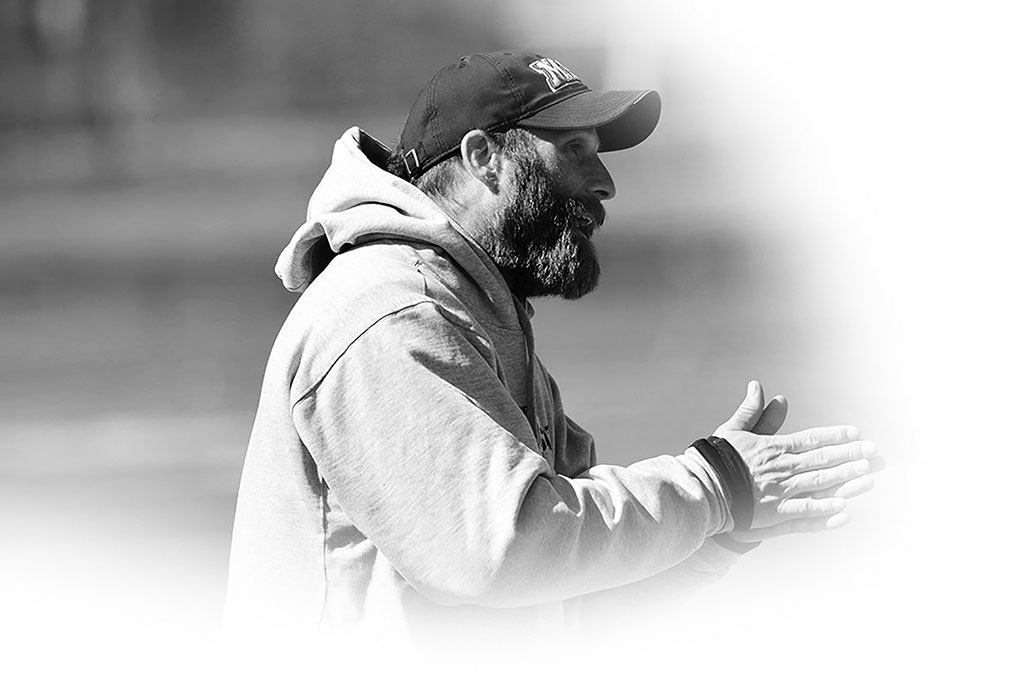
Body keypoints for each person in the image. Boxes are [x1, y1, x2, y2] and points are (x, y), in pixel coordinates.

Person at [224, 50, 880, 651]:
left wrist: (717, 530)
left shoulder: (474, 314)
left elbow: (560, 595)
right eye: (573, 149)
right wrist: (713, 486)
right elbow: (501, 551)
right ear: (484, 157)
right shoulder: (389, 312)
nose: (605, 182)